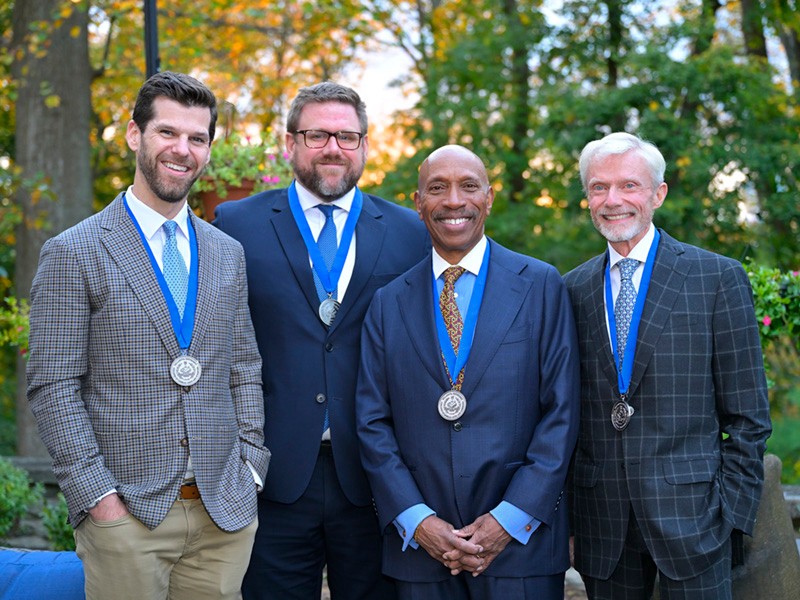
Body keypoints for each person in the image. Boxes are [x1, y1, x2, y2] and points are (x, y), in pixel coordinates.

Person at [26, 71, 270, 600]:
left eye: (197, 138)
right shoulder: (74, 251)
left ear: (208, 149)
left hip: (222, 516)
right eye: (167, 132)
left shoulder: (226, 253)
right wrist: (98, 499)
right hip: (126, 517)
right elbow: (53, 386)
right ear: (135, 135)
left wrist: (251, 467)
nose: (182, 149)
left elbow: (243, 366)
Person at [213, 81, 429, 600]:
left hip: (375, 478)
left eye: (346, 136)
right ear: (290, 143)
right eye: (317, 135)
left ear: (365, 146)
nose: (333, 147)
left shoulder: (410, 232)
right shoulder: (236, 224)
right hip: (274, 476)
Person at [355, 144, 580, 599]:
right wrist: (418, 520)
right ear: (419, 203)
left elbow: (562, 413)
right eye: (438, 188)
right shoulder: (387, 303)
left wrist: (508, 519)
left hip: (522, 548)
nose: (454, 201)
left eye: (469, 186)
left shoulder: (541, 285)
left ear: (489, 198)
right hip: (421, 552)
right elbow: (372, 423)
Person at [564, 132, 771, 599]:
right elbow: (565, 416)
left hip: (697, 524)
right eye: (599, 187)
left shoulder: (716, 278)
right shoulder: (570, 289)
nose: (613, 200)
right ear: (587, 198)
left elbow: (749, 417)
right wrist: (571, 522)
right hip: (602, 527)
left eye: (629, 185)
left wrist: (731, 516)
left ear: (658, 194)